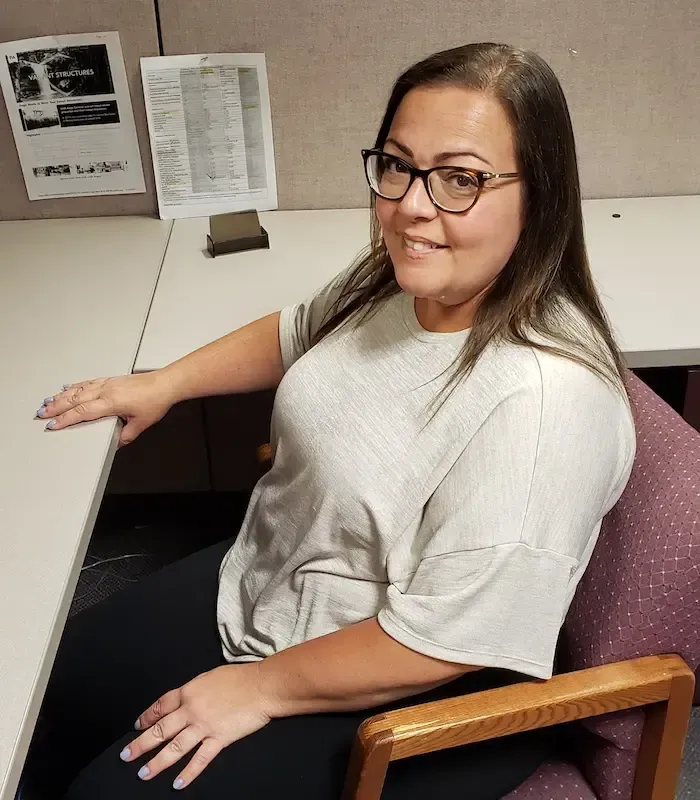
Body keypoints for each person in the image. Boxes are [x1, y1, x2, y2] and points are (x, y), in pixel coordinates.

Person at [25, 42, 636, 800]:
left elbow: (445, 638)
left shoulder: (544, 403)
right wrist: (164, 385)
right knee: (44, 693)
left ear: (538, 194)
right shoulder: (407, 275)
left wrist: (260, 689)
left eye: (461, 179)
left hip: (414, 680)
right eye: (399, 165)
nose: (412, 205)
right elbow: (300, 328)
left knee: (104, 793)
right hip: (275, 580)